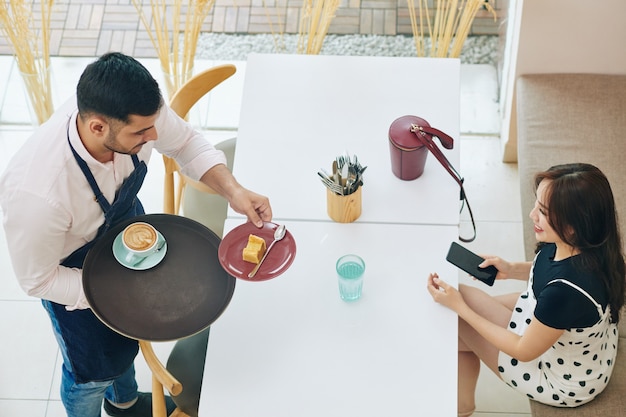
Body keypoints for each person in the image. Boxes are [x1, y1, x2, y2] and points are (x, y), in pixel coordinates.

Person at [0, 52, 272, 417]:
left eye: (153, 124)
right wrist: (114, 295)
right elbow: (36, 280)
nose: (154, 136)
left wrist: (234, 192)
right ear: (97, 127)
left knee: (127, 343)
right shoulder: (37, 196)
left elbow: (185, 143)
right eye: (142, 133)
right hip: (73, 272)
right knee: (92, 374)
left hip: (127, 230)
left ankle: (124, 403)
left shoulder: (137, 114)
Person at [426, 163, 625, 416]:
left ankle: (461, 408)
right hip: (559, 328)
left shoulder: (565, 292)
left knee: (458, 318)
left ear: (573, 225)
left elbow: (523, 350)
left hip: (558, 375)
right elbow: (551, 270)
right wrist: (510, 268)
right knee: (460, 310)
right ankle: (461, 406)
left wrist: (462, 309)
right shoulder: (585, 244)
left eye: (542, 212)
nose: (533, 215)